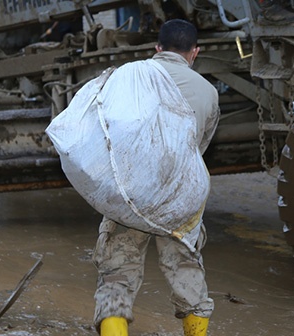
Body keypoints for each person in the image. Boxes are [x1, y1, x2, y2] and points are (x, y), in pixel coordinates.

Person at [93, 19, 219, 336]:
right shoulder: (208, 92)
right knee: (187, 270)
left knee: (117, 275)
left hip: (129, 193)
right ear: (195, 52)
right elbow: (198, 148)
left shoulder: (127, 77)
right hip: (179, 198)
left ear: (157, 49)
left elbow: (104, 132)